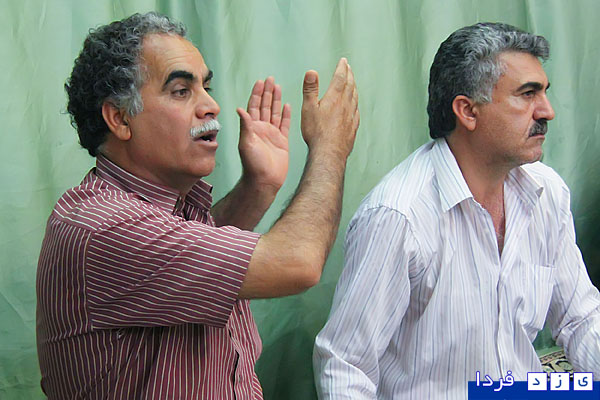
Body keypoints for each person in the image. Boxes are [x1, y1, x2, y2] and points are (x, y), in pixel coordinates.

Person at [36, 11, 359, 400]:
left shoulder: (167, 208)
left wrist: (258, 186)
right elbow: (298, 263)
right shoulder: (106, 226)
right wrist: (330, 147)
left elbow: (193, 257)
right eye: (181, 91)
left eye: (206, 87)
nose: (211, 106)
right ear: (120, 118)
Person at [313, 22, 600, 399]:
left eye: (544, 92)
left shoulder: (547, 192)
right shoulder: (398, 215)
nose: (547, 111)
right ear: (467, 111)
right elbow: (345, 366)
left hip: (518, 390)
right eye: (528, 94)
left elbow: (581, 319)